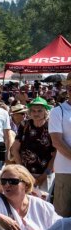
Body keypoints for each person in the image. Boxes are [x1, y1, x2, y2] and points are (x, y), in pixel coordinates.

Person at [12, 97, 55, 192]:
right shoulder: (24, 125)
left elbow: (55, 154)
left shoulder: (51, 127)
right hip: (26, 173)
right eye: (33, 111)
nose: (36, 113)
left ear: (45, 112)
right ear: (30, 112)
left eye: (39, 111)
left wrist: (43, 176)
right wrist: (23, 171)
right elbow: (14, 149)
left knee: (44, 202)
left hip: (45, 174)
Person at [49, 73, 71, 217]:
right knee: (62, 215)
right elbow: (57, 142)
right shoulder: (58, 111)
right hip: (66, 170)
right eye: (70, 87)